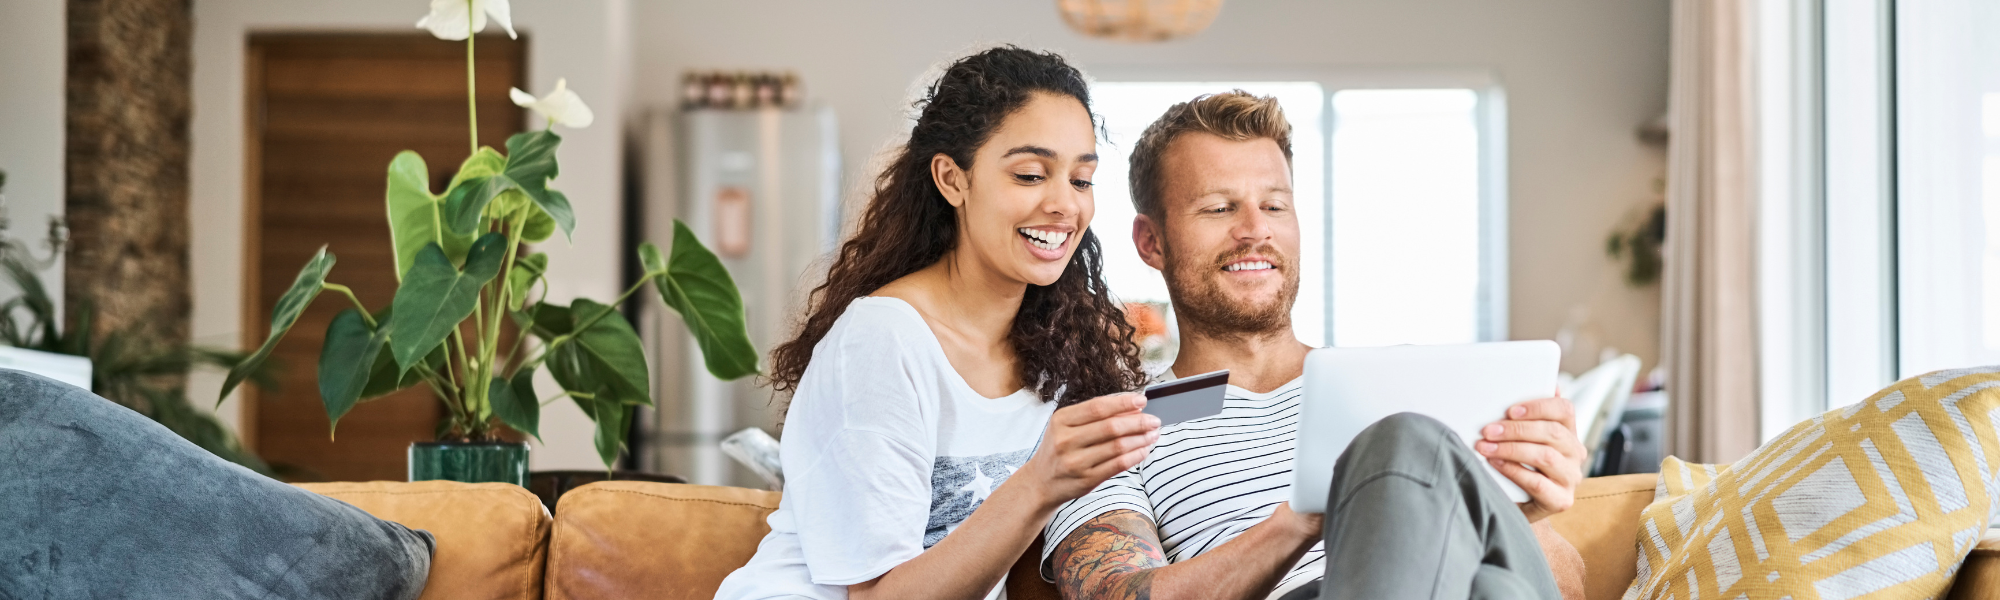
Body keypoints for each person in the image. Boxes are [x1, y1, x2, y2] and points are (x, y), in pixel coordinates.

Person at [1042, 91, 1590, 600]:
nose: (1255, 230)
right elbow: (1116, 594)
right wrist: (1302, 519)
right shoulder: (1118, 428)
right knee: (1401, 440)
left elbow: (1564, 584)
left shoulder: (1404, 386)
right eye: (1219, 208)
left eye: (1275, 206)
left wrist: (1515, 511)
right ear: (1151, 242)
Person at [715, 46, 1162, 600]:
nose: (1064, 205)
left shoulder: (1060, 351)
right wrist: (1040, 483)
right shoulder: (882, 341)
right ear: (953, 180)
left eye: (1081, 180)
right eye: (1029, 174)